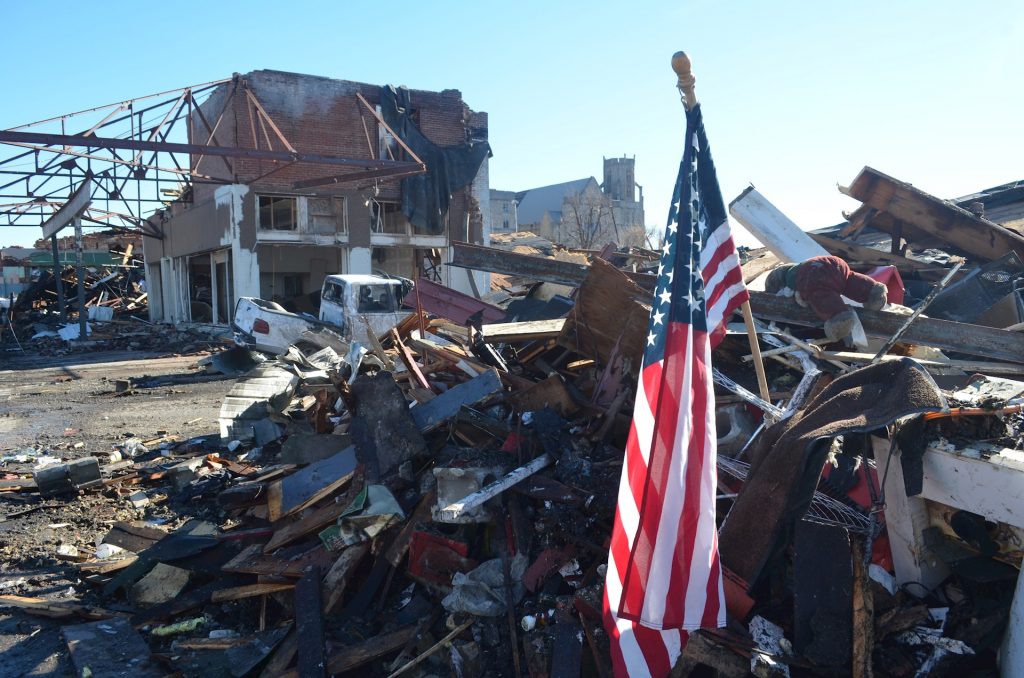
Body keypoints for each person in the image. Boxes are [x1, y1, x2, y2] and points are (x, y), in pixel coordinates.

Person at [765, 255, 888, 341]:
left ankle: (840, 320)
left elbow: (797, 298)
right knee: (849, 280)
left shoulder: (795, 279)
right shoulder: (798, 267)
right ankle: (874, 292)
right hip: (837, 263)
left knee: (822, 297)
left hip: (814, 276)